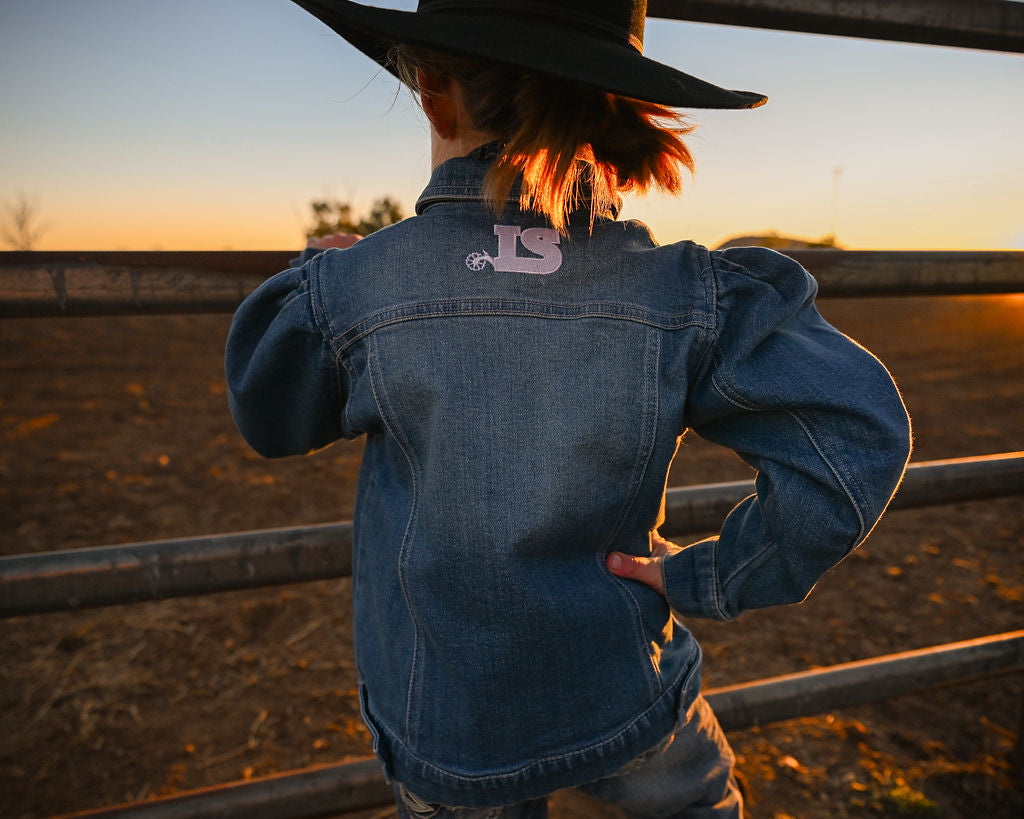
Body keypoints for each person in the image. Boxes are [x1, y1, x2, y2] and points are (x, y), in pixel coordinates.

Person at [225, 2, 912, 816]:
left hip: (455, 729)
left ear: (431, 91)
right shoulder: (685, 292)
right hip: (627, 696)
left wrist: (322, 280)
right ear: (613, 105)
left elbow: (268, 414)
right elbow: (856, 440)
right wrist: (713, 573)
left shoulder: (362, 287)